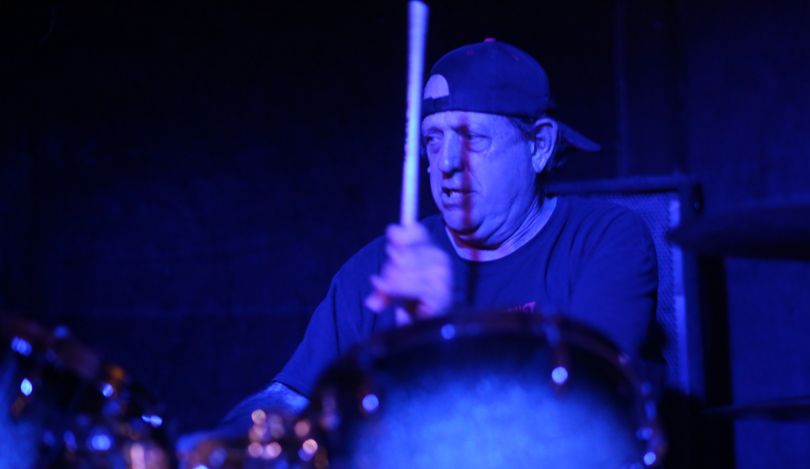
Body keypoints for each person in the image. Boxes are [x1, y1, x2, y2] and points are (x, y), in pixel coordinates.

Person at [222, 39, 658, 428]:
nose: (446, 162)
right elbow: (290, 397)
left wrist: (444, 329)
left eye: (472, 138)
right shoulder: (384, 267)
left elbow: (579, 404)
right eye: (433, 139)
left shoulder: (604, 239)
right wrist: (231, 439)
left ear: (539, 146)